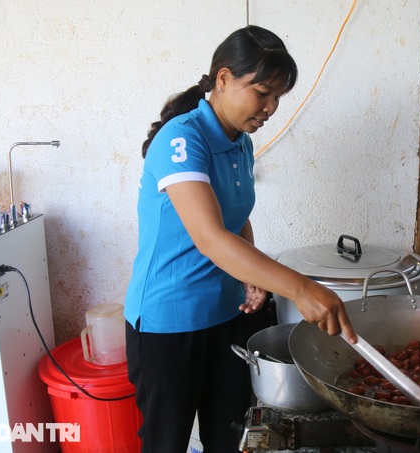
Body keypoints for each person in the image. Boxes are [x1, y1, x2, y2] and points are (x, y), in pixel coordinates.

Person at [124, 25, 356, 453]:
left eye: (278, 99)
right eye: (263, 93)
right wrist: (301, 288)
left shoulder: (241, 142)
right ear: (224, 78)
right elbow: (211, 238)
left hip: (227, 315)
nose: (270, 108)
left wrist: (254, 276)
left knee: (228, 438)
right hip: (168, 323)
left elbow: (235, 221)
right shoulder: (182, 138)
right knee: (165, 442)